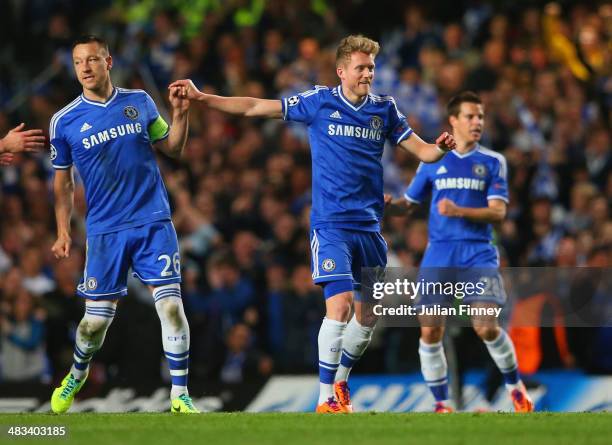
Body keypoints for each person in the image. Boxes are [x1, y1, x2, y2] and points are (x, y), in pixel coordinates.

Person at [170, 34, 456, 413]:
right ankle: (325, 400)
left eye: (371, 67)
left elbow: (422, 150)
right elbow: (256, 106)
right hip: (331, 225)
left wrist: (440, 148)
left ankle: (340, 382)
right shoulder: (319, 102)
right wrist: (205, 98)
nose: (368, 73)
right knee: (338, 306)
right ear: (342, 71)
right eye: (361, 67)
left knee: (367, 316)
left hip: (369, 227)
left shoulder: (385, 110)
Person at [48, 35, 198, 414]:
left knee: (171, 309)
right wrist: (64, 231)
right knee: (93, 326)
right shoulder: (64, 121)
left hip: (152, 222)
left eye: (92, 60)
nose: (85, 67)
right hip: (105, 232)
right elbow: (63, 180)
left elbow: (174, 147)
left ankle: (180, 395)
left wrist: (181, 114)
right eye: (78, 61)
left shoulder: (140, 102)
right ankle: (77, 374)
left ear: (108, 62)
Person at [387, 91, 533, 413]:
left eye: (480, 116)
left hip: (478, 252)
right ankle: (441, 403)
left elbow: (498, 213)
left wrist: (459, 211)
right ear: (453, 121)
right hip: (439, 252)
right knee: (430, 328)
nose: (477, 122)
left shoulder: (493, 162)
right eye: (470, 116)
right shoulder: (433, 160)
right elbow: (409, 206)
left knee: (486, 326)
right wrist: (389, 207)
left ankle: (515, 387)